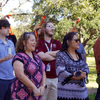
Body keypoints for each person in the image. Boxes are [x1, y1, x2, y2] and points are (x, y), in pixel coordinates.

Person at [11, 32, 46, 100]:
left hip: (36, 94)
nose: (34, 43)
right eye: (32, 40)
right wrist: (34, 88)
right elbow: (20, 75)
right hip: (21, 94)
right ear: (24, 42)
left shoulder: (37, 57)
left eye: (35, 41)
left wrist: (43, 86)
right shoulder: (19, 56)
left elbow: (43, 71)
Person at [56, 32, 89, 100]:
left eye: (78, 40)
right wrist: (74, 77)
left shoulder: (80, 56)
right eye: (76, 40)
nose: (78, 42)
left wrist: (84, 73)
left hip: (81, 94)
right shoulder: (61, 55)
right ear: (68, 42)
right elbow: (60, 71)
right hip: (65, 95)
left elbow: (86, 67)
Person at [35, 21, 62, 100]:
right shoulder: (38, 42)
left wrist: (47, 53)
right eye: (50, 26)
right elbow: (42, 57)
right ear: (43, 29)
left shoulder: (57, 43)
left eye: (53, 27)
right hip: (43, 79)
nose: (52, 29)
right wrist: (56, 55)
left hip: (55, 78)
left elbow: (62, 55)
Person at [0, 19, 15, 100]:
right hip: (1, 79)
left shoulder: (11, 43)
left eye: (8, 27)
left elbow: (14, 60)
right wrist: (4, 59)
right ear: (0, 28)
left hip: (11, 78)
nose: (8, 29)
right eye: (6, 27)